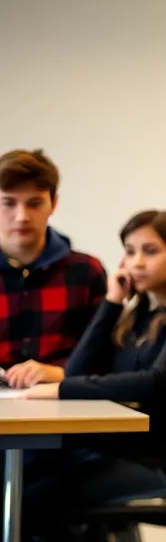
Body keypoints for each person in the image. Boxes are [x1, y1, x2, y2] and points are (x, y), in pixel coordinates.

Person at [19, 210, 166, 542]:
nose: (137, 262)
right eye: (130, 252)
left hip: (161, 465)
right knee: (22, 489)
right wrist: (112, 302)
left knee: (26, 506)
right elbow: (82, 370)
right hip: (117, 449)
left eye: (150, 251)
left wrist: (63, 389)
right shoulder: (141, 312)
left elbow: (158, 381)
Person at [0, 149, 106, 389]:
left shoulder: (87, 272)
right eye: (8, 203)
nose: (21, 217)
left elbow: (105, 353)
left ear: (53, 204)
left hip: (65, 403)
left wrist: (60, 372)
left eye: (34, 203)